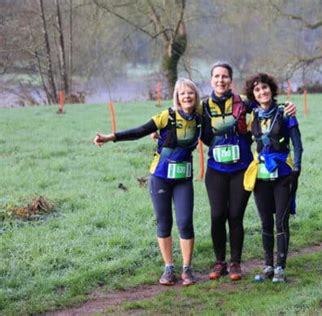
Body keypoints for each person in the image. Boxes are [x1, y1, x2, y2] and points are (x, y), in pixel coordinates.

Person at [94, 78, 201, 286]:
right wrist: (109, 137)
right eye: (182, 93)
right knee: (164, 222)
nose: (187, 96)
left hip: (183, 179)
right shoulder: (166, 116)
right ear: (177, 97)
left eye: (191, 93)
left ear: (196, 96)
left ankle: (187, 269)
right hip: (160, 177)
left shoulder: (199, 118)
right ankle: (168, 268)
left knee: (185, 222)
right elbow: (138, 132)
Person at [200, 62, 297, 281]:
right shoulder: (203, 106)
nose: (220, 80)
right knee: (217, 215)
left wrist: (289, 107)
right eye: (216, 76)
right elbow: (190, 121)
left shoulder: (244, 103)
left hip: (242, 169)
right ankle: (219, 262)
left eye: (225, 76)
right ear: (211, 80)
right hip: (216, 168)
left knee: (235, 216)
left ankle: (235, 263)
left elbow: (268, 105)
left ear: (230, 80)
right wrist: (158, 134)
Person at [243, 73, 303, 283]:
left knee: (281, 221)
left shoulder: (285, 112)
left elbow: (298, 143)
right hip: (261, 175)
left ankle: (280, 267)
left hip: (283, 175)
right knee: (265, 222)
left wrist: (297, 168)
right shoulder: (253, 115)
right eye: (257, 90)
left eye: (265, 88)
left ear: (272, 89)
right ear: (254, 94)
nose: (262, 92)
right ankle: (268, 266)